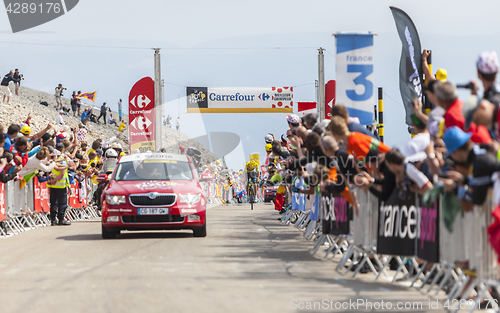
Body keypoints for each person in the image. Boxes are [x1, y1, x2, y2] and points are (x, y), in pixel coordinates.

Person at [47, 143, 71, 226]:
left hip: (52, 185)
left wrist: (52, 180)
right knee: (62, 203)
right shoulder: (62, 160)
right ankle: (61, 219)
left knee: (53, 203)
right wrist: (54, 180)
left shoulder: (51, 161)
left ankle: (53, 220)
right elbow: (62, 172)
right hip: (60, 185)